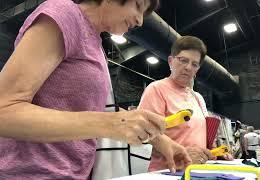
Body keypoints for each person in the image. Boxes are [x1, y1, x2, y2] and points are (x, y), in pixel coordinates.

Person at [0, 0, 191, 179]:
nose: (140, 21)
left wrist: (159, 139)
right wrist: (111, 123)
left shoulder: (97, 47)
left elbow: (95, 112)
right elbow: (4, 111)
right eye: (138, 6)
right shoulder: (66, 15)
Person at [138, 36, 232, 172]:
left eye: (194, 64)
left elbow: (199, 139)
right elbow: (147, 132)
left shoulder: (198, 98)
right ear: (171, 61)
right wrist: (182, 154)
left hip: (196, 171)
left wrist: (215, 153)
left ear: (197, 69)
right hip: (168, 172)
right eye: (183, 60)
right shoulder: (156, 89)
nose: (188, 67)